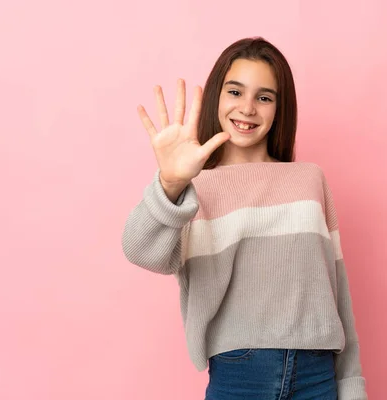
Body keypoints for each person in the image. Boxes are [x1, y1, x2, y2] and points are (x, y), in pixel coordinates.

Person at [122, 37, 368, 400]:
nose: (248, 108)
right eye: (235, 92)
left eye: (264, 97)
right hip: (239, 378)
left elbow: (337, 293)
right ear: (216, 99)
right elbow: (140, 250)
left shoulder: (309, 180)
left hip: (318, 377)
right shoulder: (194, 188)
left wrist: (351, 385)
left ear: (279, 109)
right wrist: (171, 182)